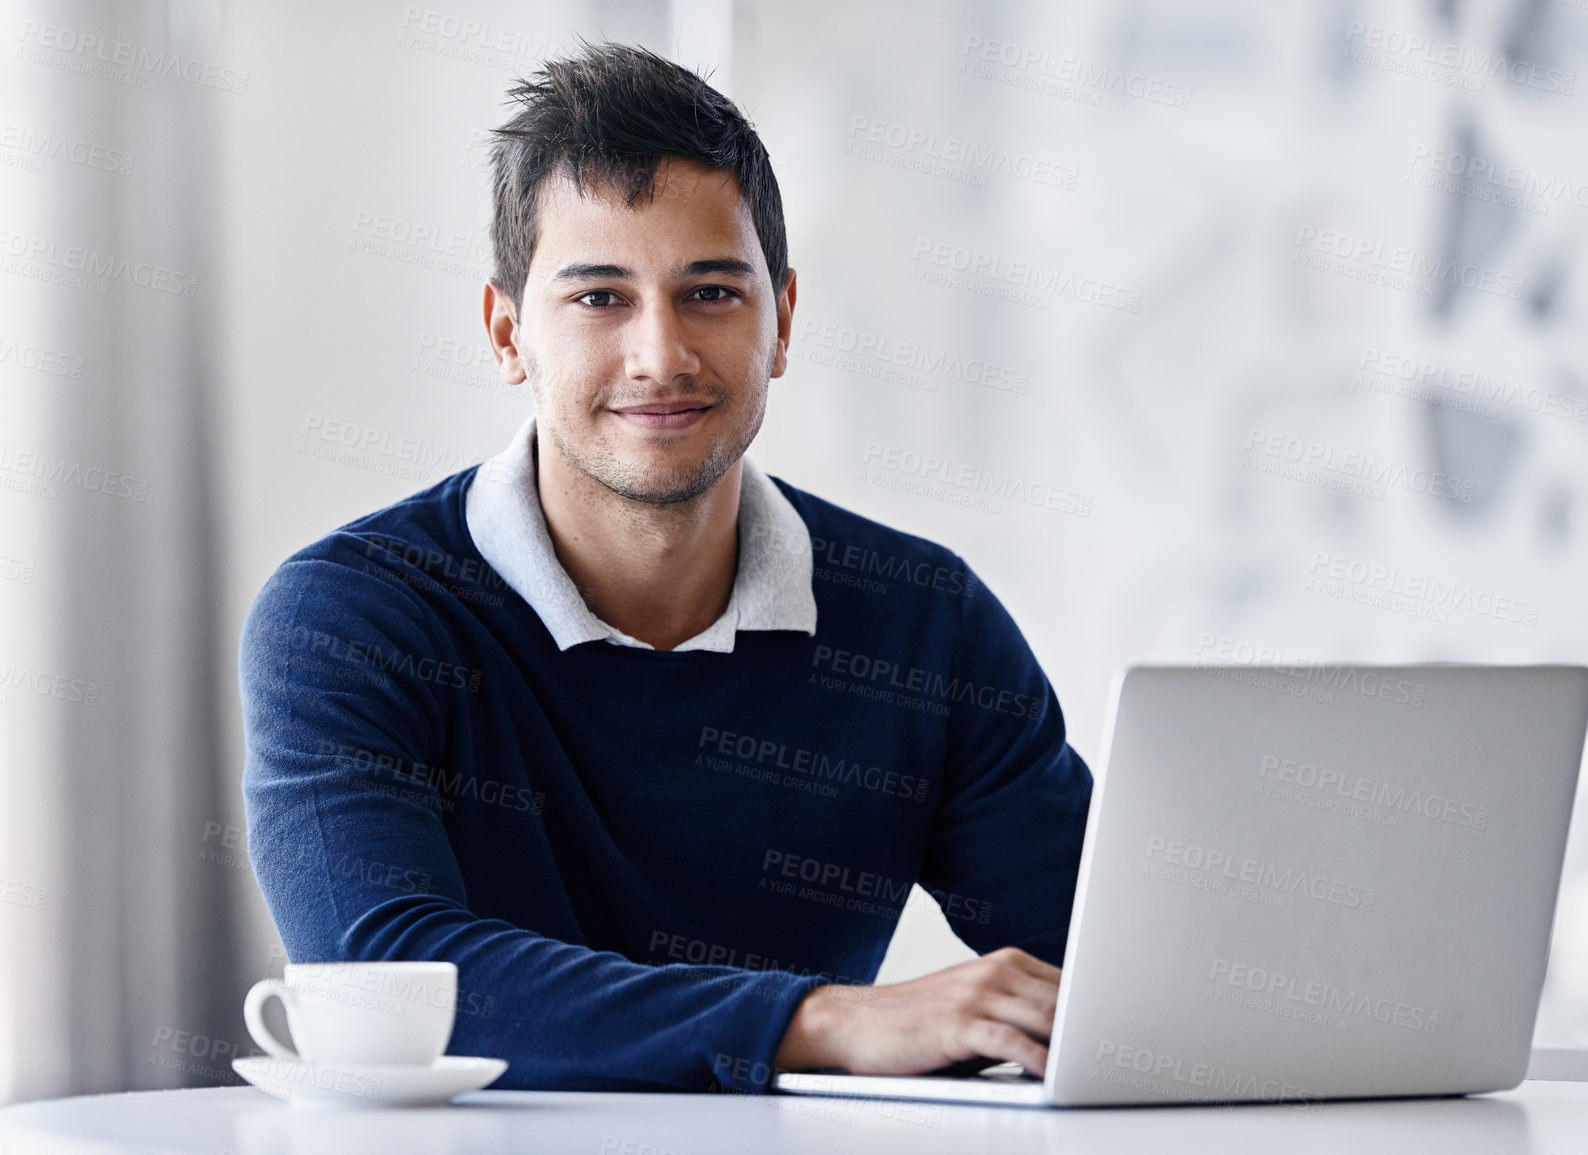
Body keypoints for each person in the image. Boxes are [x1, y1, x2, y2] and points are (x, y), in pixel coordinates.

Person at [239, 42, 1091, 1093]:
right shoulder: (354, 614)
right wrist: (819, 1021)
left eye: (712, 294)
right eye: (599, 298)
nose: (661, 355)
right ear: (509, 334)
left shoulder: (924, 621)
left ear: (782, 320)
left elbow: (1117, 964)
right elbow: (380, 976)